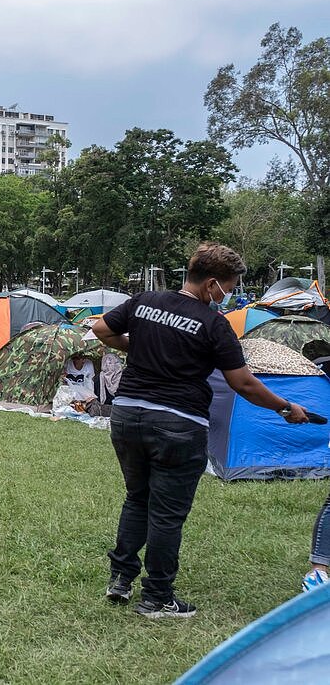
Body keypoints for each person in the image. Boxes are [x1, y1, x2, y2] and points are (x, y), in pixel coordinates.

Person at [93, 243, 310, 619]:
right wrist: (286, 406)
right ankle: (157, 597)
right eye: (228, 286)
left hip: (127, 415)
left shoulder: (143, 301)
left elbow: (101, 329)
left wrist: (137, 346)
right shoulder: (213, 324)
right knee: (166, 514)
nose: (228, 294)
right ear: (212, 285)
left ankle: (121, 579)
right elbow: (243, 383)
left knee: (137, 498)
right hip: (177, 423)